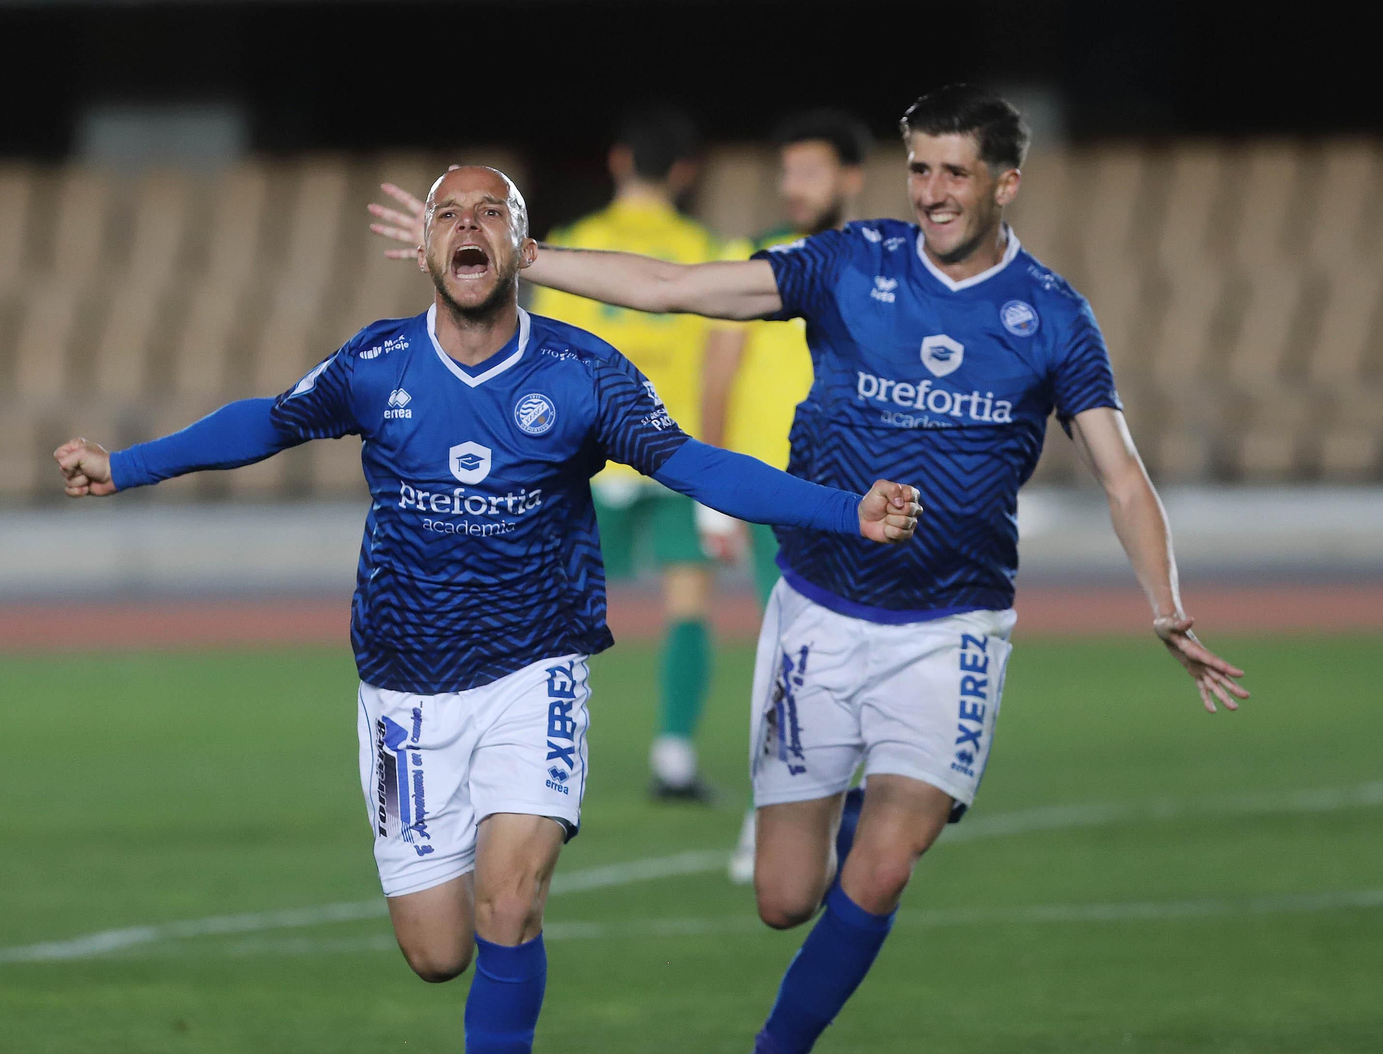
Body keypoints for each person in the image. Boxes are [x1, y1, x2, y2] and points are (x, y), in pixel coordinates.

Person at [367, 88, 1248, 1054]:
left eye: (956, 173)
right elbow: (679, 287)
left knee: (884, 866)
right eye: (920, 168)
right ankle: (864, 804)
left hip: (953, 624)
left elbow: (1121, 475)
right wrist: (524, 256)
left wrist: (1165, 604)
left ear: (1006, 183)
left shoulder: (1051, 316)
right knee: (784, 898)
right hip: (819, 609)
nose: (933, 191)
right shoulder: (849, 263)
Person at [59, 165, 922, 1054]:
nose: (468, 225)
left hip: (533, 667)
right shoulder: (377, 362)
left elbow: (698, 465)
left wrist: (844, 510)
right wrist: (125, 466)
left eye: (489, 213)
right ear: (425, 248)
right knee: (437, 952)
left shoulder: (583, 372)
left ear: (520, 245)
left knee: (510, 900)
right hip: (404, 682)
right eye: (448, 214)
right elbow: (267, 422)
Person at [530, 106, 732, 801]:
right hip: (675, 452)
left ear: (618, 160)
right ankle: (674, 758)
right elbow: (719, 371)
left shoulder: (570, 245)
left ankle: (538, 752)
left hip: (589, 457)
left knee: (553, 610)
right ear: (686, 172)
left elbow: (545, 360)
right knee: (688, 605)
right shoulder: (708, 248)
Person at [695, 108, 872, 882]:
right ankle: (770, 822)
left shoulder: (879, 265)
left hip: (860, 495)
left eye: (810, 171)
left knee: (856, 663)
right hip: (775, 493)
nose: (793, 186)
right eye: (787, 172)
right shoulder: (753, 260)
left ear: (850, 178)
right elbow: (717, 374)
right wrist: (709, 496)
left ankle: (822, 816)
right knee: (796, 661)